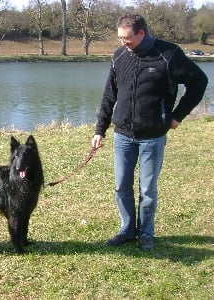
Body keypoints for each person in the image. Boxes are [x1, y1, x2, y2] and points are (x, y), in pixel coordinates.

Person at [92, 12, 208, 250]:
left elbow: (199, 81)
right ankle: (127, 230)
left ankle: (146, 234)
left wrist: (177, 116)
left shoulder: (169, 54)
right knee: (121, 186)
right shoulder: (120, 56)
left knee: (148, 190)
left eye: (127, 38)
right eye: (120, 38)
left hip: (152, 136)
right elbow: (109, 95)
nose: (123, 43)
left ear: (141, 33)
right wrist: (100, 129)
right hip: (123, 135)